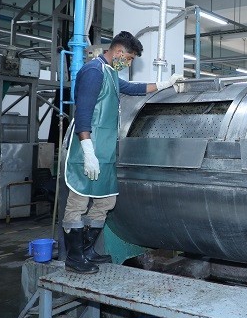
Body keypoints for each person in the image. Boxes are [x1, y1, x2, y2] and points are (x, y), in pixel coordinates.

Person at [62, 31, 181, 274]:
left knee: (106, 200)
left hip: (105, 152)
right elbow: (83, 113)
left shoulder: (110, 73)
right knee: (78, 201)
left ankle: (87, 250)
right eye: (129, 58)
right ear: (118, 52)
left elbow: (133, 88)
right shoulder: (93, 72)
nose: (128, 63)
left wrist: (164, 84)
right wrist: (88, 152)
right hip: (88, 149)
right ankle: (74, 258)